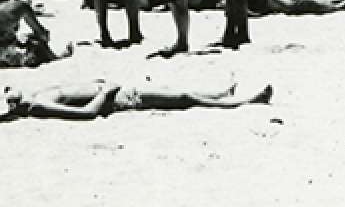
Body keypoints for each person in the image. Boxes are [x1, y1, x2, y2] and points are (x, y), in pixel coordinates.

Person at [2, 78, 272, 121]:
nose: (7, 90)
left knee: (177, 91)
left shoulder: (32, 97)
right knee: (185, 98)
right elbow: (86, 114)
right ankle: (247, 102)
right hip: (121, 98)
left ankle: (221, 94)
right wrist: (105, 92)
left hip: (119, 91)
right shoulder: (37, 105)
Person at [0, 0, 68, 68]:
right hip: (6, 54)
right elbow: (41, 33)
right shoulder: (18, 6)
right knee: (36, 42)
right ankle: (53, 57)